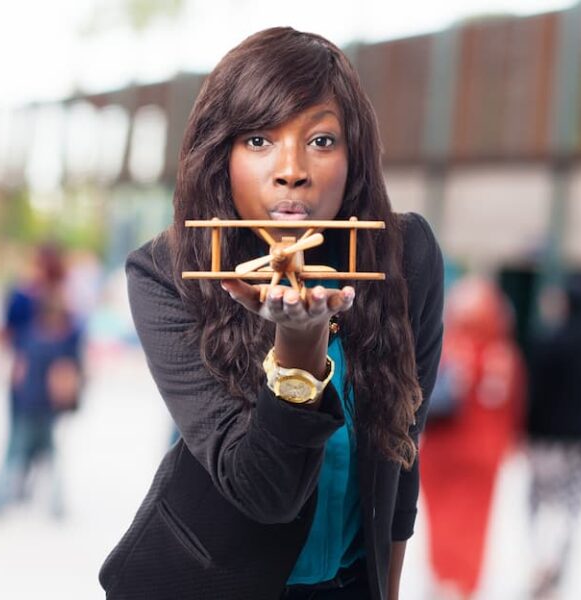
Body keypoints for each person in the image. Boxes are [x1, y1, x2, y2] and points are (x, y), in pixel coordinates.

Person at [99, 27, 444, 600]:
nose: (291, 170)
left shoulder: (405, 254)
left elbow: (402, 450)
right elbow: (264, 492)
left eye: (322, 141)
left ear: (353, 157)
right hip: (207, 583)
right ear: (221, 154)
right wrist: (298, 355)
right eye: (259, 140)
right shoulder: (166, 272)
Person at [419, 276, 525, 599]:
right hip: (484, 453)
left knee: (441, 517)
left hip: (442, 451)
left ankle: (443, 577)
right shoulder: (505, 357)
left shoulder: (445, 349)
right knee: (475, 520)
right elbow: (514, 409)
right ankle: (465, 581)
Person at [0, 244, 84, 518]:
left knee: (16, 447)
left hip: (27, 396)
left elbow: (14, 350)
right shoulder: (67, 319)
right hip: (48, 401)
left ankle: (2, 499)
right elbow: (69, 366)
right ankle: (53, 505)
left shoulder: (28, 320)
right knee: (50, 452)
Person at [525, 280, 581, 599]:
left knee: (541, 503)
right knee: (570, 504)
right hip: (580, 438)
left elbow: (535, 393)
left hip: (546, 438)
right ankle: (558, 566)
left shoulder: (549, 342)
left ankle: (543, 564)